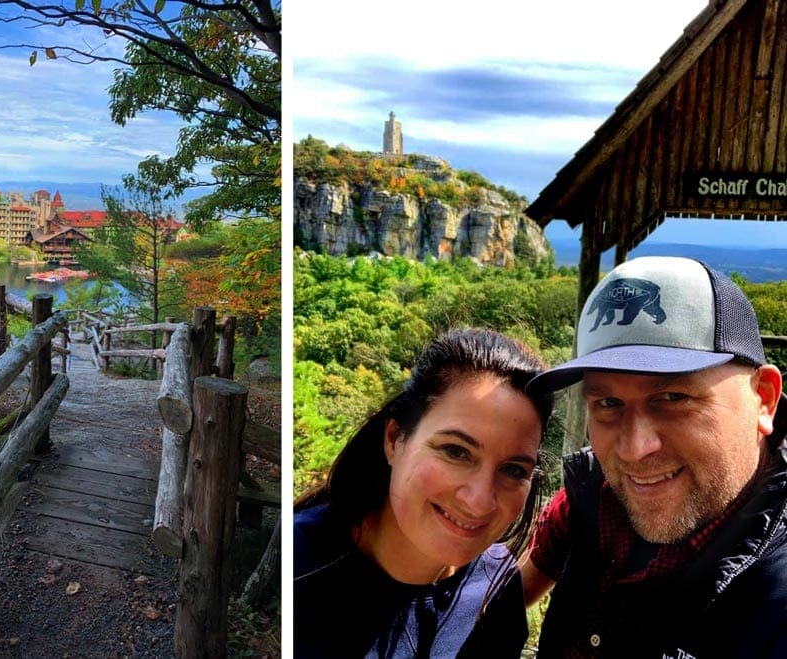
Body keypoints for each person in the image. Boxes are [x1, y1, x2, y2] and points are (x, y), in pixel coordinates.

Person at [521, 256, 787, 658]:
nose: (633, 448)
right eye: (608, 402)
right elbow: (489, 602)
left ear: (763, 399)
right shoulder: (592, 496)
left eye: (672, 397)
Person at [294, 328, 555, 658]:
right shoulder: (299, 571)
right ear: (394, 440)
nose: (479, 501)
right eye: (456, 451)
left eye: (514, 470)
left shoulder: (497, 591)